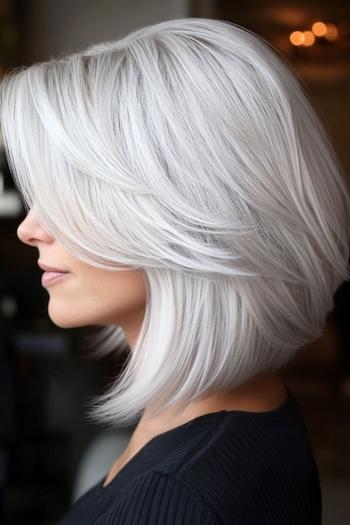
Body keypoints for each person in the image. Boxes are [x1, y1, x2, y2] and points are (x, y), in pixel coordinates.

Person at [1, 16, 349, 525]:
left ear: (183, 209)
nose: (29, 228)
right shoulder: (232, 419)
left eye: (72, 191)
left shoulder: (179, 500)